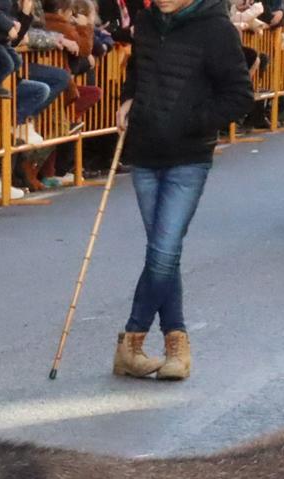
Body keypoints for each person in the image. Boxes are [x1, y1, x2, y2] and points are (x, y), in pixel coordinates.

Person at [112, 0, 253, 379]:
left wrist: (193, 122)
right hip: (143, 153)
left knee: (164, 250)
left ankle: (133, 339)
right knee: (164, 251)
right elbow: (137, 72)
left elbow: (240, 96)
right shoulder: (145, 21)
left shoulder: (216, 28)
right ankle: (175, 342)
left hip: (188, 157)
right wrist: (127, 99)